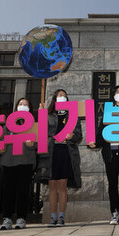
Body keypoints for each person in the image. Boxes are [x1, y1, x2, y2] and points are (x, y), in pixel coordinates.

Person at [89, 85, 119, 225]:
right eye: (117, 92)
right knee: (112, 185)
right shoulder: (108, 112)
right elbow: (101, 132)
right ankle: (114, 213)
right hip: (109, 153)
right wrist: (95, 143)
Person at [36, 89, 83, 226]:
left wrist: (73, 136)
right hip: (51, 152)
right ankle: (52, 216)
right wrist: (41, 113)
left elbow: (79, 135)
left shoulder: (72, 115)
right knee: (52, 185)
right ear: (55, 98)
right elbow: (42, 132)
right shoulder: (49, 114)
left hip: (66, 151)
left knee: (62, 185)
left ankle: (61, 217)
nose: (62, 97)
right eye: (60, 95)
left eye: (64, 95)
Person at [0, 98, 36, 230]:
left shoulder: (34, 125)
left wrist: (32, 145)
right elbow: (1, 141)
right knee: (8, 191)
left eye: (25, 104)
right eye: (20, 104)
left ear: (30, 108)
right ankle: (7, 218)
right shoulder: (8, 125)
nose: (23, 106)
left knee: (23, 191)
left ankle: (21, 218)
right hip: (8, 161)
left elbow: (37, 143)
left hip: (25, 161)